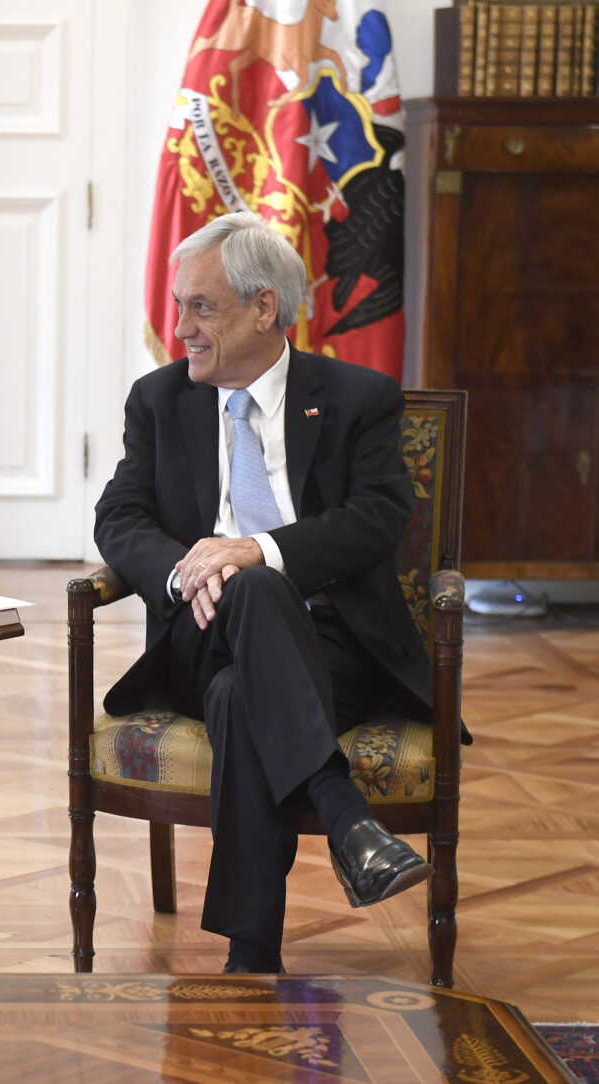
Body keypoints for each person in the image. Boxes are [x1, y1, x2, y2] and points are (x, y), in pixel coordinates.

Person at [94, 210, 452, 974]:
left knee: (238, 692)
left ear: (265, 308)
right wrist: (189, 569)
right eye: (179, 304)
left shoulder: (357, 397)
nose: (180, 327)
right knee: (246, 602)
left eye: (201, 307)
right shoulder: (159, 401)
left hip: (335, 648)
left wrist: (259, 550)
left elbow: (379, 517)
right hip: (202, 634)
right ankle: (347, 818)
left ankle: (251, 957)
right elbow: (118, 516)